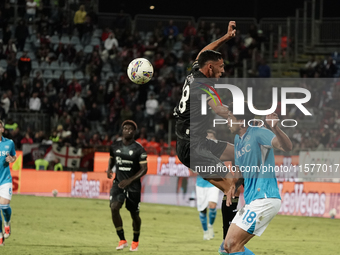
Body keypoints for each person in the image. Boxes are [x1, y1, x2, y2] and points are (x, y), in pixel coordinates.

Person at [174, 21, 236, 192]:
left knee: (239, 154)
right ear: (210, 67)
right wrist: (239, 115)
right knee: (231, 186)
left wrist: (226, 37)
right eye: (220, 67)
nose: (223, 71)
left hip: (197, 142)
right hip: (192, 147)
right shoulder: (204, 85)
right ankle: (237, 215)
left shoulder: (196, 72)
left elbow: (203, 53)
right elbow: (219, 109)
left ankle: (243, 193)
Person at [222, 103, 293, 255]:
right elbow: (240, 169)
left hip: (265, 198)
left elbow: (286, 146)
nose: (227, 120)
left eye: (230, 117)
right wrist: (233, 185)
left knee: (232, 244)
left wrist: (275, 128)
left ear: (241, 121)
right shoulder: (238, 139)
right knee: (225, 247)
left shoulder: (259, 133)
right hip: (252, 200)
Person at [106, 120, 148, 252]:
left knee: (134, 214)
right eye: (125, 128)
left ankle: (135, 240)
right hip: (118, 183)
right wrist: (109, 169)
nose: (128, 130)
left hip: (133, 186)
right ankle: (122, 239)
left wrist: (130, 180)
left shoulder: (139, 149)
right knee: (114, 207)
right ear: (122, 130)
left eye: (130, 129)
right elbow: (112, 157)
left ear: (134, 132)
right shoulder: (115, 146)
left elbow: (144, 169)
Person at [196, 129, 221, 240]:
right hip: (201, 184)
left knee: (212, 205)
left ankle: (210, 226)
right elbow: (193, 169)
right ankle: (205, 231)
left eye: (211, 137)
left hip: (213, 182)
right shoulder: (197, 152)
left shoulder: (218, 152)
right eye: (207, 137)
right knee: (202, 210)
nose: (209, 139)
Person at [0, 120, 17, 245]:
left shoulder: (9, 143)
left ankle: (7, 222)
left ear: (2, 129)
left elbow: (14, 156)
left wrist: (11, 159)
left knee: (4, 207)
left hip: (5, 179)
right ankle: (0, 235)